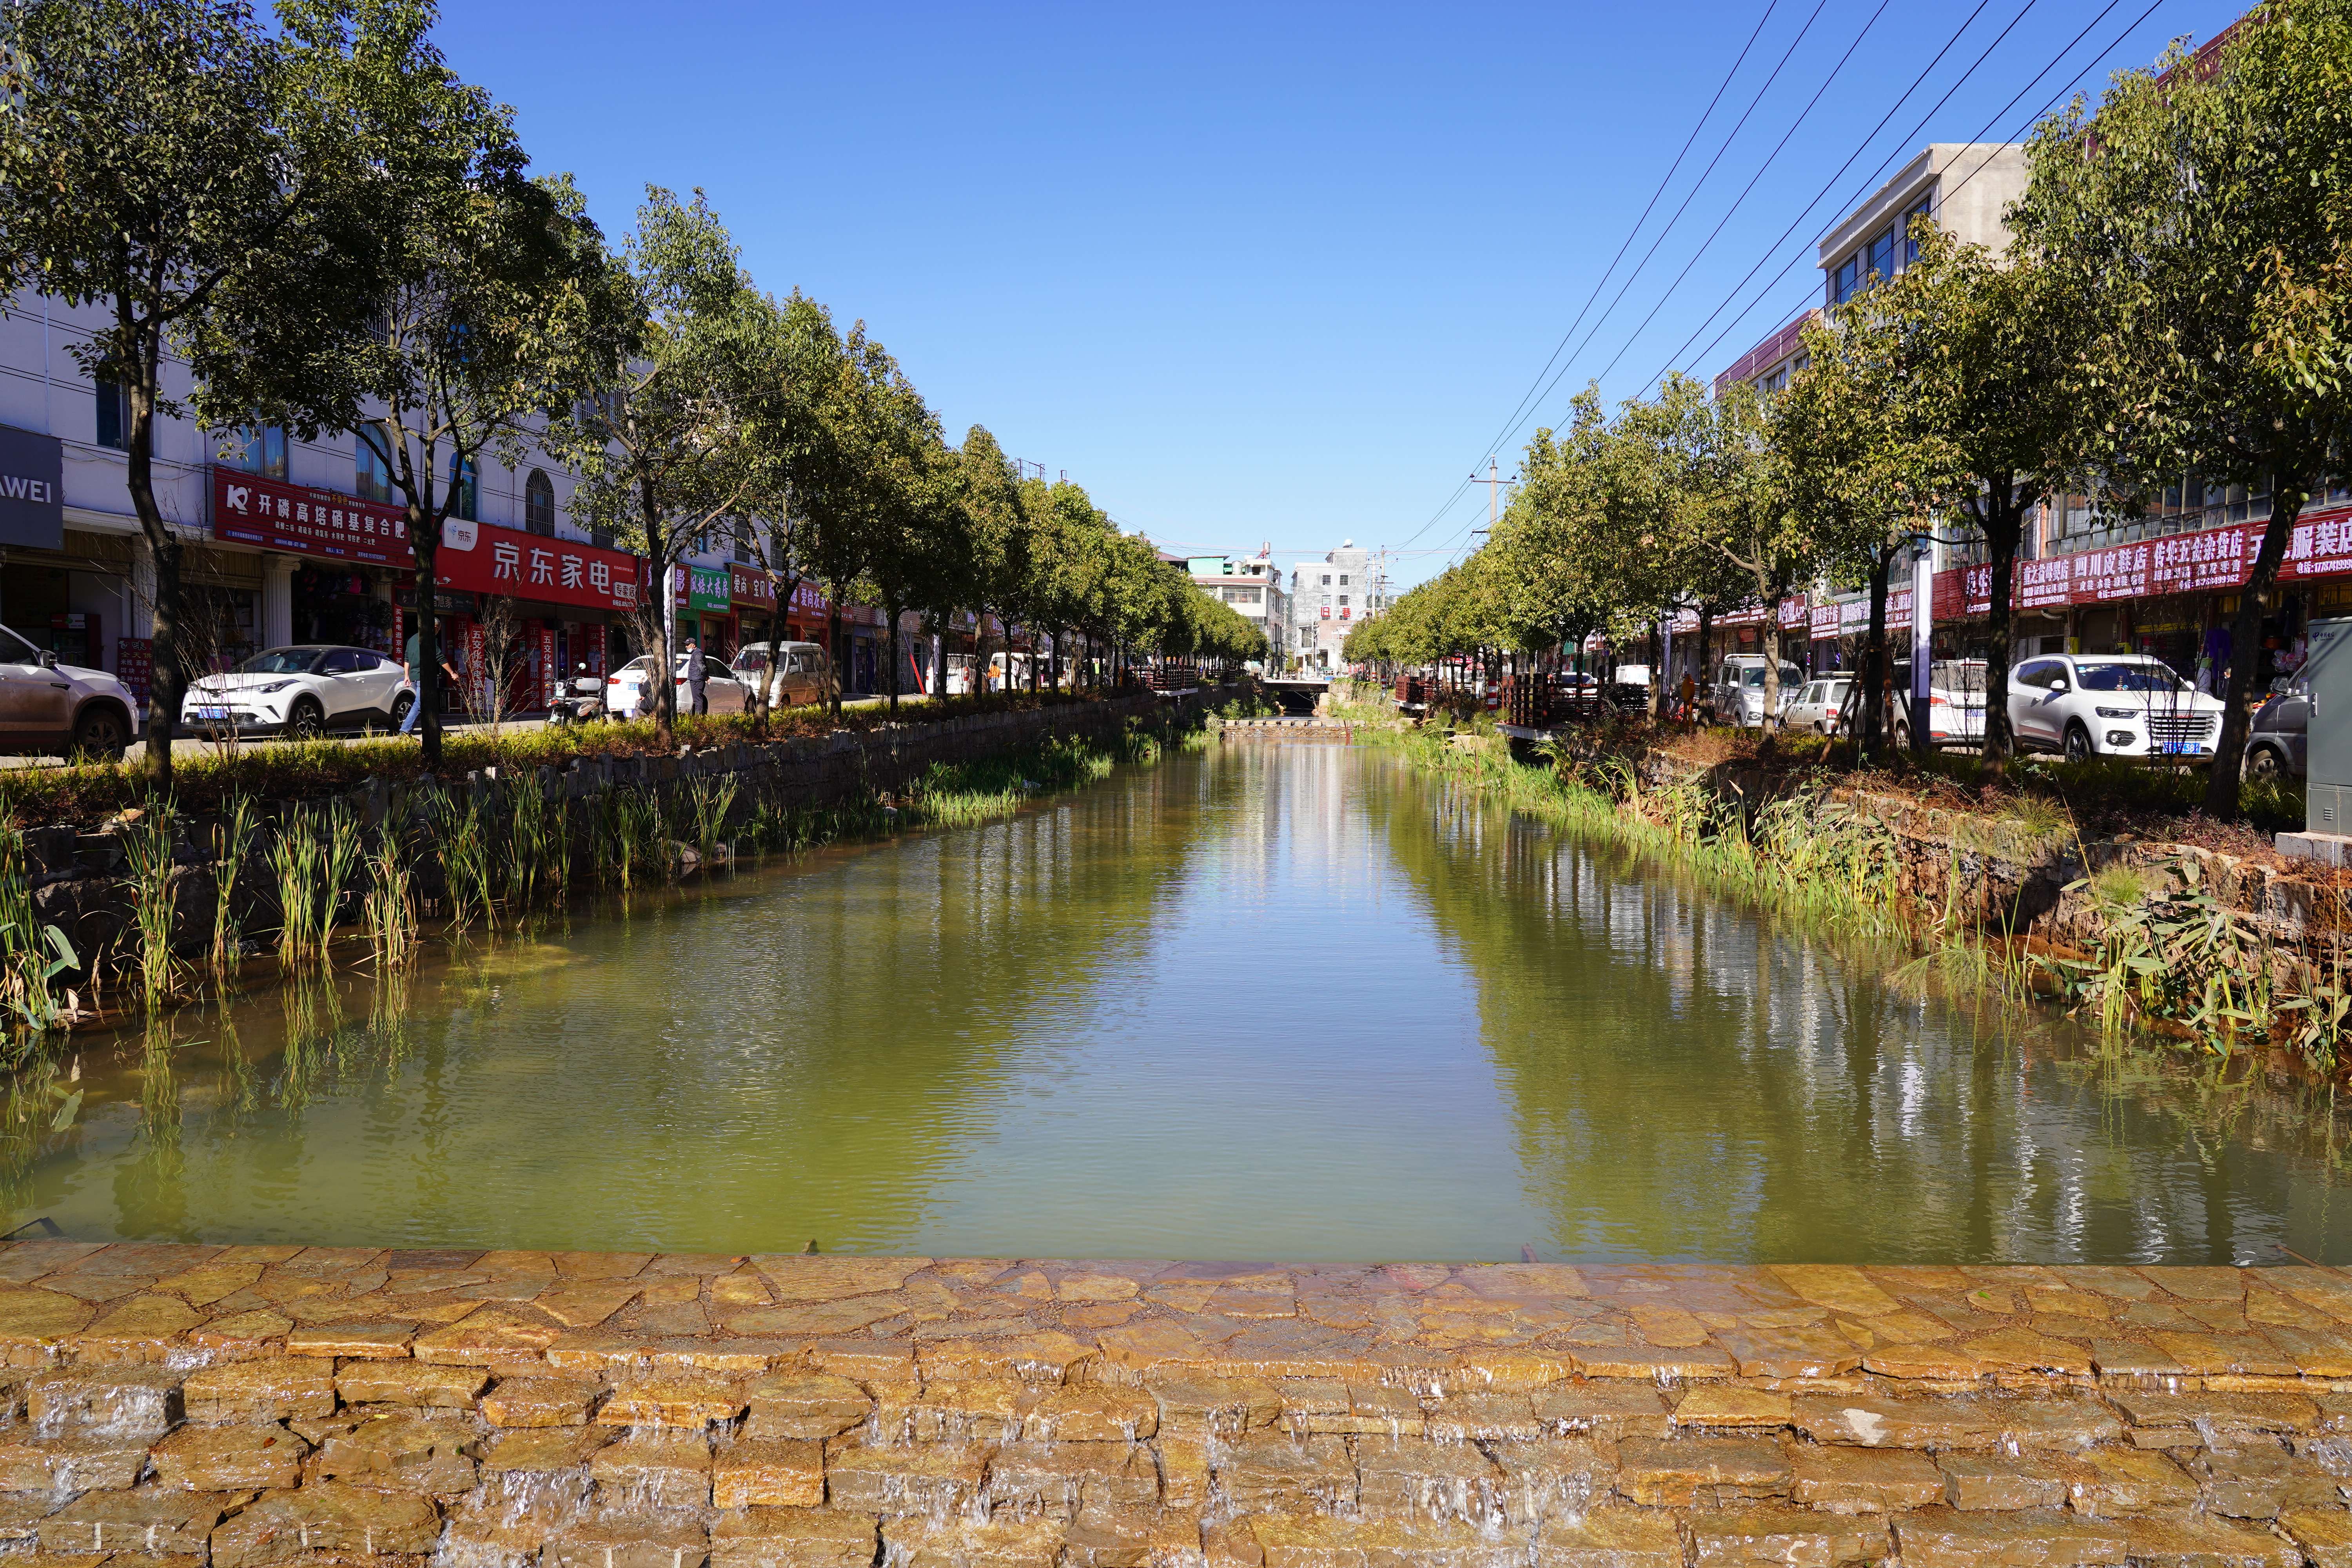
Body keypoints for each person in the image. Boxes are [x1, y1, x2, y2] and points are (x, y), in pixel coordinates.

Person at [399, 624, 459, 736]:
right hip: (425, 676)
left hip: (415, 676)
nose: (438, 632)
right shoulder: (430, 638)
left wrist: (407, 676)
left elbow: (407, 658)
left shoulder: (412, 639)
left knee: (430, 703)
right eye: (438, 629)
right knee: (420, 703)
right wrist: (452, 673)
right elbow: (440, 657)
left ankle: (437, 730)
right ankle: (405, 730)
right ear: (435, 627)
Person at [684, 637, 708, 717]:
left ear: (694, 645)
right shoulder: (695, 653)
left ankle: (698, 719)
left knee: (698, 700)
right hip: (696, 679)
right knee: (696, 700)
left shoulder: (697, 654)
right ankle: (696, 717)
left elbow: (702, 666)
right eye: (686, 645)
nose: (686, 647)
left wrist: (706, 677)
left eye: (688, 645)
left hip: (697, 680)